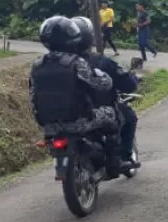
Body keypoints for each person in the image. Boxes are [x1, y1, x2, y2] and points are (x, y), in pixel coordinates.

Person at [28, 15, 130, 178]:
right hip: (79, 121)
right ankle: (114, 162)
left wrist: (42, 121)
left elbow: (32, 95)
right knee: (114, 116)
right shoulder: (75, 62)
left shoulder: (37, 64)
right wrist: (104, 76)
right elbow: (101, 84)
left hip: (49, 126)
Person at [71, 16, 140, 165]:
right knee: (129, 117)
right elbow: (127, 84)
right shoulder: (100, 62)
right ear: (89, 38)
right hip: (94, 113)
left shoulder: (57, 64)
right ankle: (123, 158)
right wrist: (133, 79)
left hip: (65, 117)